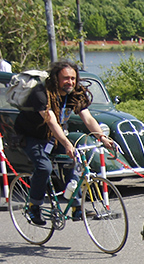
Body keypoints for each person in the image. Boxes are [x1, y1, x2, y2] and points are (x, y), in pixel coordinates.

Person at [12, 60, 114, 225]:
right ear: (55, 78)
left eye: (73, 78)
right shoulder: (41, 93)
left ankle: (75, 206)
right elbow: (51, 121)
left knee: (74, 160)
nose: (70, 82)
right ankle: (34, 206)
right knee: (44, 167)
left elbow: (87, 118)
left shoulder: (74, 93)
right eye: (66, 78)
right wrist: (67, 144)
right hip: (31, 136)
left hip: (52, 137)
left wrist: (101, 137)